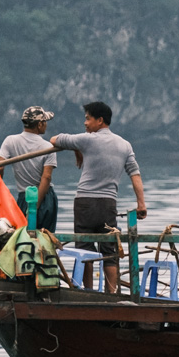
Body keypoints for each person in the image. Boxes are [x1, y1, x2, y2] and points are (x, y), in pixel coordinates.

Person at [51, 101, 147, 292]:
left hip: (85, 202)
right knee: (109, 250)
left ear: (100, 120)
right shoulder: (125, 145)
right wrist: (141, 204)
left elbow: (55, 139)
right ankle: (111, 293)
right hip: (108, 204)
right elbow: (135, 174)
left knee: (84, 249)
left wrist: (77, 148)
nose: (85, 124)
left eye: (88, 119)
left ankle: (88, 291)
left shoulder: (87, 140)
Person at [0, 106, 60, 233]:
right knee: (46, 238)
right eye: (45, 122)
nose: (46, 125)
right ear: (39, 124)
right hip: (45, 199)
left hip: (24, 197)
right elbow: (46, 178)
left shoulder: (10, 141)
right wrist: (35, 206)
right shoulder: (48, 147)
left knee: (23, 237)